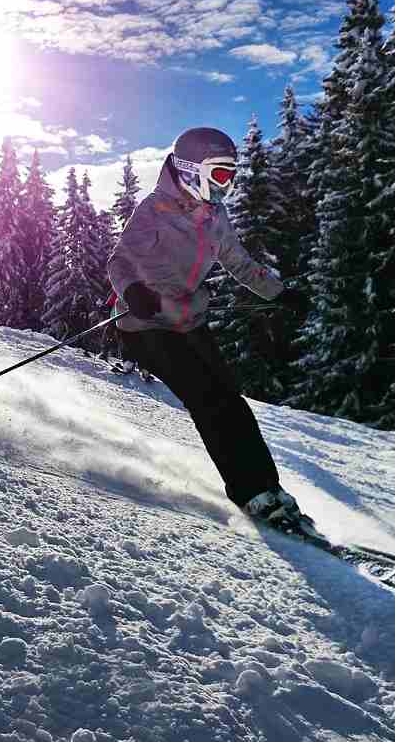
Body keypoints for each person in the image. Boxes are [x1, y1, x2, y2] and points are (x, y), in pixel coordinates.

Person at [107, 127, 313, 530]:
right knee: (208, 400)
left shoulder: (215, 215)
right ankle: (248, 492)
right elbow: (119, 261)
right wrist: (133, 290)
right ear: (189, 170)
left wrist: (278, 292)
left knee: (232, 400)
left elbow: (238, 262)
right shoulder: (153, 209)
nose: (228, 185)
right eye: (220, 175)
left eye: (231, 176)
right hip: (146, 323)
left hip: (188, 320)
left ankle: (270, 489)